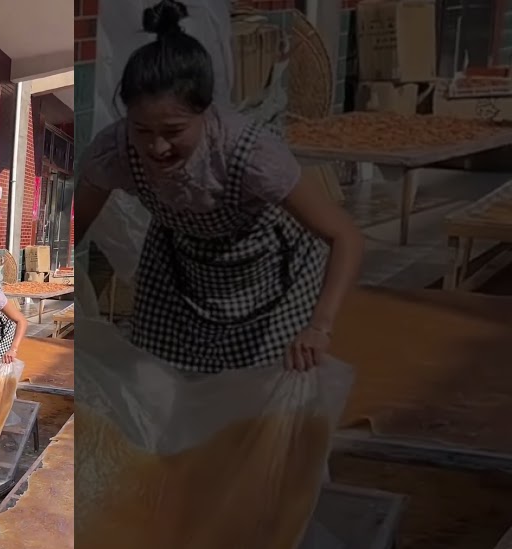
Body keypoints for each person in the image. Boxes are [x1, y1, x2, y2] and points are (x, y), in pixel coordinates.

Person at [75, 0, 364, 375]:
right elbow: (75, 230)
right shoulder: (114, 150)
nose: (157, 147)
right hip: (178, 267)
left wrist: (319, 327)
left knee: (260, 392)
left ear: (206, 112)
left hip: (268, 271)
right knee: (157, 385)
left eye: (174, 132)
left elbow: (346, 237)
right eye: (142, 130)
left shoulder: (250, 151)